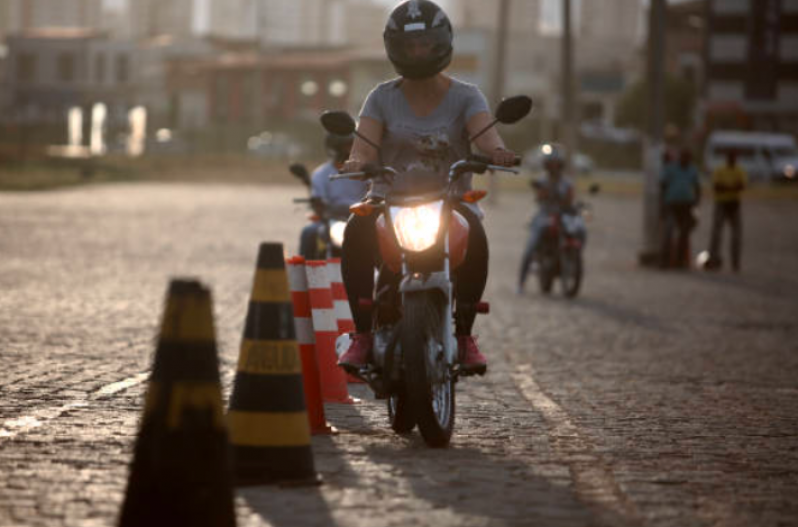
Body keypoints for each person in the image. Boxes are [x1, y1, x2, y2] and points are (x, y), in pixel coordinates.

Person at [336, 0, 517, 376]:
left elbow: (487, 137)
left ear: (442, 44)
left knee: (476, 231)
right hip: (387, 200)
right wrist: (356, 162)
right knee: (355, 231)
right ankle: (363, 334)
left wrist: (498, 154)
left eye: (425, 44)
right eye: (409, 45)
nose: (417, 52)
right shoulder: (380, 97)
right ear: (395, 48)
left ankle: (465, 334)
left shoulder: (467, 96)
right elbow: (364, 145)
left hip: (450, 201)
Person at [298, 132, 367, 258]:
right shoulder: (321, 174)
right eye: (347, 146)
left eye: (353, 145)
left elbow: (374, 191)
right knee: (309, 233)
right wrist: (320, 207)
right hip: (332, 219)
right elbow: (318, 201)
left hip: (361, 219)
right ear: (334, 149)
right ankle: (305, 273)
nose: (351, 149)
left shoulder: (365, 171)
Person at [517, 145, 575, 294]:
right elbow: (539, 197)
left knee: (577, 230)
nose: (553, 166)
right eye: (550, 163)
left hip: (562, 215)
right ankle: (521, 282)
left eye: (555, 163)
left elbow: (570, 199)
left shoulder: (567, 182)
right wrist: (546, 192)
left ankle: (572, 260)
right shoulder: (542, 179)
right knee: (531, 246)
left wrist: (561, 199)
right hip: (544, 214)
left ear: (560, 164)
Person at [706, 149, 747, 272]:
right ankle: (713, 260)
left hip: (734, 204)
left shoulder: (739, 170)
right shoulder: (720, 170)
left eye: (734, 157)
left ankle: (735, 263)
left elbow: (742, 186)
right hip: (721, 203)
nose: (732, 159)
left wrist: (727, 187)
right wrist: (732, 187)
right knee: (716, 234)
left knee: (736, 235)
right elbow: (717, 187)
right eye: (730, 157)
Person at [660, 148, 701, 269]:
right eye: (683, 157)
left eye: (687, 158)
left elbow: (697, 187)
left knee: (684, 234)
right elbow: (663, 185)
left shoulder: (693, 170)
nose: (685, 160)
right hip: (672, 204)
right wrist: (662, 205)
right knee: (668, 231)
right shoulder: (671, 168)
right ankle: (664, 260)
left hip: (686, 205)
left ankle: (680, 261)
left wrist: (697, 203)